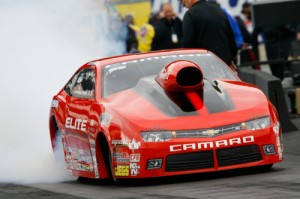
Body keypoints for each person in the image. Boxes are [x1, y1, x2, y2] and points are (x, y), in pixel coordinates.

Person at [179, 0, 237, 68]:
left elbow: (187, 43)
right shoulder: (219, 11)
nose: (185, 6)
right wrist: (230, 60)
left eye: (184, 4)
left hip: (205, 66)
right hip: (224, 64)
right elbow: (231, 38)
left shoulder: (190, 14)